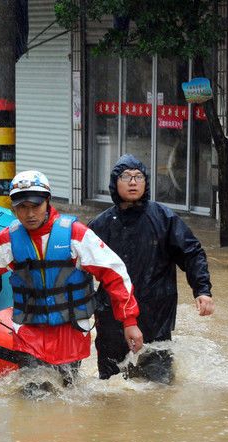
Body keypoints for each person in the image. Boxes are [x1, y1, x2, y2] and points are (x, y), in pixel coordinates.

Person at [0, 170, 143, 387]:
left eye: (35, 206)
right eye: (22, 207)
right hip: (29, 333)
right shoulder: (7, 241)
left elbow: (115, 273)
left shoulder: (76, 235)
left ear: (47, 202)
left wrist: (130, 322)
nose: (29, 214)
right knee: (32, 395)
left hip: (70, 332)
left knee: (69, 398)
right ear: (14, 208)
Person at [89, 154, 214, 382]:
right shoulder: (100, 225)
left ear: (146, 183)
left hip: (156, 315)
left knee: (158, 387)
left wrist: (202, 290)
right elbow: (79, 268)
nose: (133, 182)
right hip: (111, 318)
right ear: (115, 183)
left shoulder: (164, 218)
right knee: (111, 387)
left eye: (139, 177)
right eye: (126, 177)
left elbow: (192, 252)